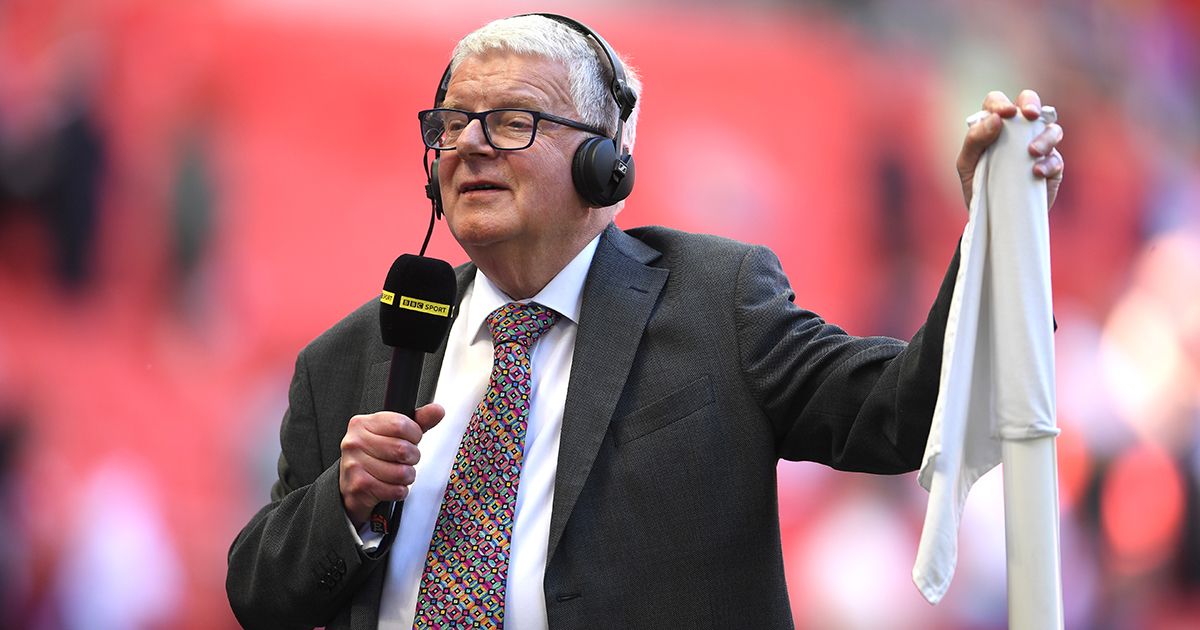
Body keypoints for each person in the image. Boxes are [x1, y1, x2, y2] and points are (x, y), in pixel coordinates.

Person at [226, 13, 1064, 630]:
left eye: (512, 122)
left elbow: (902, 414)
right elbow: (258, 594)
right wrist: (343, 502)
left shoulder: (717, 300)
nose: (470, 145)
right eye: (451, 125)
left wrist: (999, 233)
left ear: (605, 161)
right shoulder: (351, 355)